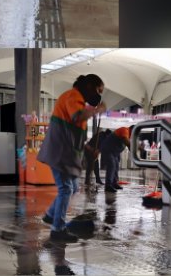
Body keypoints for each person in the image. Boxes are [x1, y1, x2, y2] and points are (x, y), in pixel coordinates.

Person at [38, 74, 107, 243]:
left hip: (64, 153)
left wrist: (89, 149)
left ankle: (50, 215)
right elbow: (77, 116)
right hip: (59, 152)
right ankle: (57, 230)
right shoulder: (72, 96)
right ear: (89, 86)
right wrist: (97, 110)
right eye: (99, 90)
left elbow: (75, 135)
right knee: (66, 189)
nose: (99, 95)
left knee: (73, 187)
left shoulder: (78, 101)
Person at [100, 126, 130, 193]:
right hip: (108, 150)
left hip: (114, 152)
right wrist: (133, 147)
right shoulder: (125, 130)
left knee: (116, 166)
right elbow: (127, 142)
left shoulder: (128, 134)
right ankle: (108, 185)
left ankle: (114, 183)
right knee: (112, 165)